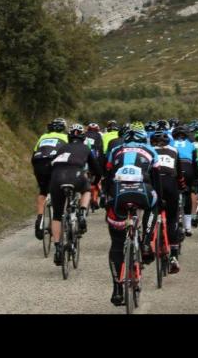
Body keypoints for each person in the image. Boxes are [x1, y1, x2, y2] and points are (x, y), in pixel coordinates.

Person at [103, 127, 160, 306]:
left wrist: (106, 198)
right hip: (142, 192)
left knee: (117, 244)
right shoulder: (151, 151)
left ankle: (117, 289)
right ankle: (145, 243)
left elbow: (107, 176)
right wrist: (161, 200)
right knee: (154, 205)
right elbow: (157, 180)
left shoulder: (115, 150)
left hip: (118, 195)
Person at [49, 124, 102, 266]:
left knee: (57, 215)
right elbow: (97, 169)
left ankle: (57, 248)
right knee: (86, 190)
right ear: (83, 138)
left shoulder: (62, 148)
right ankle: (82, 213)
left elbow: (51, 165)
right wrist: (95, 182)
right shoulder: (86, 148)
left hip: (57, 177)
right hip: (76, 175)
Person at [148, 130, 186, 274]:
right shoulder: (174, 151)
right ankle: (174, 255)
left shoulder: (149, 150)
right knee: (172, 218)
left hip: (154, 185)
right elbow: (179, 174)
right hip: (170, 185)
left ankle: (147, 244)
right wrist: (182, 186)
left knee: (150, 212)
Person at [31, 119, 68, 239]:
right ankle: (57, 220)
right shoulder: (65, 137)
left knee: (43, 191)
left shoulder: (43, 137)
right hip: (55, 163)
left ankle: (39, 220)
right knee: (60, 192)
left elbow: (34, 154)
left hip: (39, 163)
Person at [171, 125, 197, 237]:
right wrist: (197, 179)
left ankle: (172, 222)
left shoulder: (170, 144)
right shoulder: (191, 145)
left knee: (172, 194)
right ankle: (188, 227)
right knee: (188, 192)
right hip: (188, 168)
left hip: (175, 168)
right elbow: (195, 163)